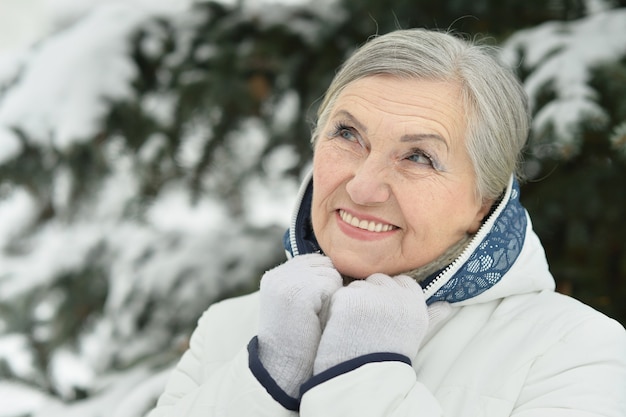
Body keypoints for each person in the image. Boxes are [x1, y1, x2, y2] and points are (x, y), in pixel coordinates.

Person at [146, 28, 626, 417]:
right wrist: (268, 378)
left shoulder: (575, 352)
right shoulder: (233, 328)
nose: (363, 186)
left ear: (485, 201)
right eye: (348, 134)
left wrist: (364, 376)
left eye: (419, 156)